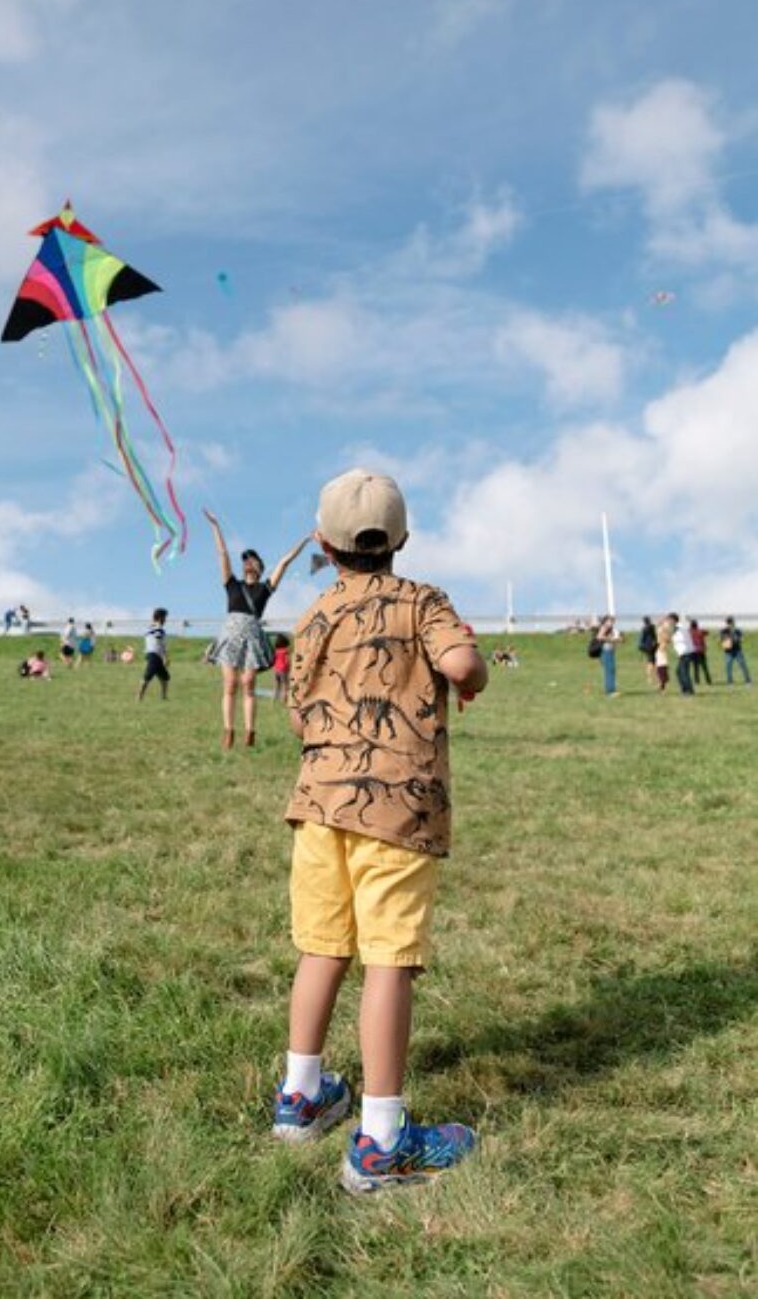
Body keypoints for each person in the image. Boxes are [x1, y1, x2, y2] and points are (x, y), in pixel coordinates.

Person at [274, 469, 487, 1193]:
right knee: (389, 959)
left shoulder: (314, 615)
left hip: (319, 807)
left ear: (326, 544)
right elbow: (461, 662)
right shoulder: (424, 599)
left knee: (322, 948)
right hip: (399, 809)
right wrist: (465, 674)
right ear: (401, 538)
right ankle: (382, 1140)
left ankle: (301, 1095)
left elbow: (299, 711)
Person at [203, 508, 309, 749]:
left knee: (247, 684)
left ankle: (250, 733)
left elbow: (285, 561)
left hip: (251, 637)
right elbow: (222, 554)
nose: (247, 562)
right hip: (230, 635)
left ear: (260, 567)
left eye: (252, 559)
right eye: (245, 560)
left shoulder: (264, 589)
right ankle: (228, 731)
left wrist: (305, 540)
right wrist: (215, 526)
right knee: (229, 685)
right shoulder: (232, 584)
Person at [138, 609, 170, 700]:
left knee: (165, 677)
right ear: (160, 618)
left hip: (151, 654)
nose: (165, 620)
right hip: (154, 654)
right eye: (164, 618)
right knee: (147, 676)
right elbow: (160, 642)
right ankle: (139, 697)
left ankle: (164, 697)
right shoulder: (159, 629)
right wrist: (165, 657)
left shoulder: (149, 628)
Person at [719, 617, 752, 685]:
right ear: (726, 623)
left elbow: (741, 639)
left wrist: (735, 639)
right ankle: (730, 681)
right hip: (728, 652)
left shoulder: (737, 630)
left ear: (733, 623)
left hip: (737, 650)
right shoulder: (723, 631)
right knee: (729, 667)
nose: (730, 625)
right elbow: (724, 641)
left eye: (731, 623)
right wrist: (732, 639)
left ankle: (748, 680)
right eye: (729, 623)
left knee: (743, 665)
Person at [595, 615, 621, 696]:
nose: (612, 622)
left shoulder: (611, 629)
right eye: (611, 621)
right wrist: (612, 639)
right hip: (606, 651)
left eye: (613, 621)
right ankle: (610, 691)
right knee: (609, 670)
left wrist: (618, 640)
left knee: (611, 670)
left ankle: (611, 689)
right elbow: (599, 637)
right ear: (606, 621)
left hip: (610, 651)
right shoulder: (604, 627)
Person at [669, 614, 694, 696]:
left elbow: (686, 625)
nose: (669, 622)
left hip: (686, 653)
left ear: (674, 620)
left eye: (670, 620)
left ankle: (688, 691)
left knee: (683, 672)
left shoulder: (680, 627)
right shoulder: (675, 630)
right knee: (679, 672)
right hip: (683, 654)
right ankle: (685, 689)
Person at [689, 619, 711, 686]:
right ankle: (708, 680)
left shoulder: (690, 632)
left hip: (694, 651)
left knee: (696, 667)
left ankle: (697, 681)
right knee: (704, 667)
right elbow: (707, 632)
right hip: (701, 651)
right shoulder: (700, 631)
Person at [637, 616, 659, 687]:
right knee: (652, 663)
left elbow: (642, 639)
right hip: (652, 647)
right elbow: (654, 637)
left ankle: (651, 678)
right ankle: (652, 678)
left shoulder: (644, 628)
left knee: (651, 662)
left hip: (647, 647)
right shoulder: (651, 627)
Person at [272, 634, 291, 702]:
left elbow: (273, 660)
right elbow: (287, 661)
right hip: (283, 670)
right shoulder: (286, 651)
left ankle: (274, 700)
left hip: (276, 670)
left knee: (276, 686)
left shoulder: (276, 651)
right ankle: (284, 701)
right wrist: (289, 669)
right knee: (285, 686)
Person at [655, 615, 672, 692]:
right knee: (661, 667)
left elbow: (667, 639)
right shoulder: (662, 628)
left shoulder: (664, 629)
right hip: (661, 649)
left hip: (662, 648)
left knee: (662, 667)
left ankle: (662, 684)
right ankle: (662, 684)